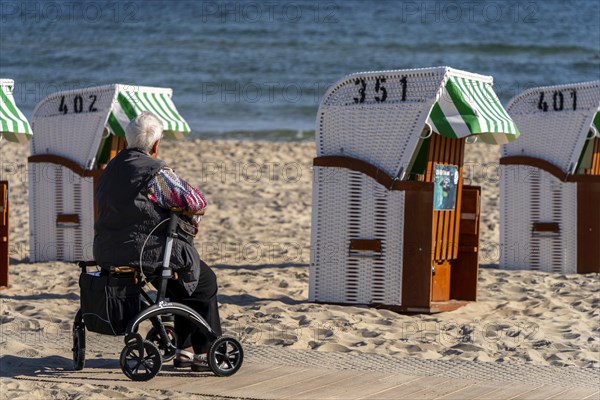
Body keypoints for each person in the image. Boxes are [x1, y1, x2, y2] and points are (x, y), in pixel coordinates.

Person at [94, 111, 221, 372]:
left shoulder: (110, 169)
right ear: (155, 144)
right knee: (204, 282)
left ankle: (184, 350)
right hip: (146, 252)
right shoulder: (155, 172)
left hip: (110, 251)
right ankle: (204, 352)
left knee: (178, 281)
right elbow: (196, 202)